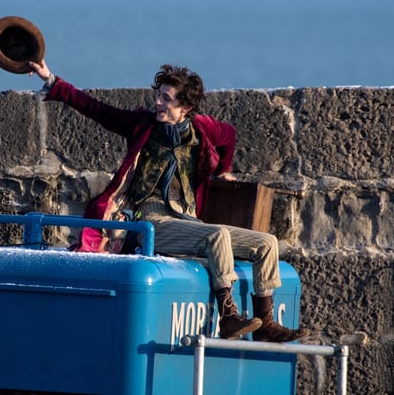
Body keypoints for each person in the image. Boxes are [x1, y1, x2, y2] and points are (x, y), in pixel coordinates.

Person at [29, 60, 309, 343]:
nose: (157, 102)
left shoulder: (202, 130)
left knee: (267, 243)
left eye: (166, 98)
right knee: (217, 236)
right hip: (151, 221)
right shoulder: (142, 126)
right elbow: (96, 109)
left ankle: (266, 325)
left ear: (185, 108)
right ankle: (229, 317)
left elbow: (230, 136)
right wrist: (52, 80)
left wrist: (224, 171)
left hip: (188, 220)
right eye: (158, 95)